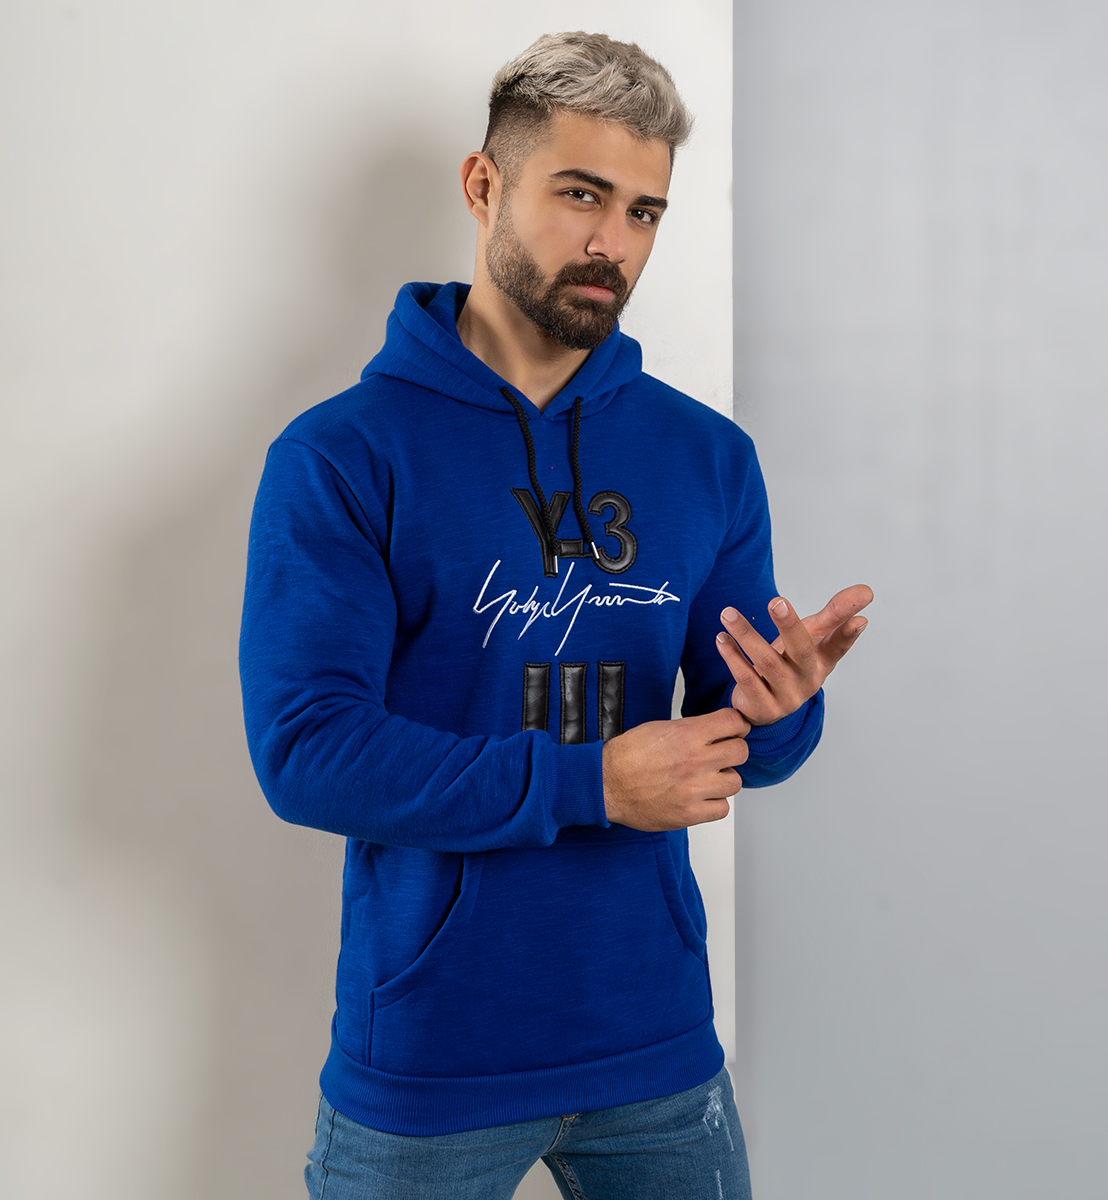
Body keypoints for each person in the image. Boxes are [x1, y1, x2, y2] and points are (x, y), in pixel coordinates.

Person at [239, 30, 871, 1200]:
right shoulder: (342, 456)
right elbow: (306, 751)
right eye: (581, 194)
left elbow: (731, 745)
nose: (611, 242)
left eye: (643, 211)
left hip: (658, 1048)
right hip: (430, 1062)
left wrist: (778, 712)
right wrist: (591, 783)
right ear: (484, 184)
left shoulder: (706, 457)